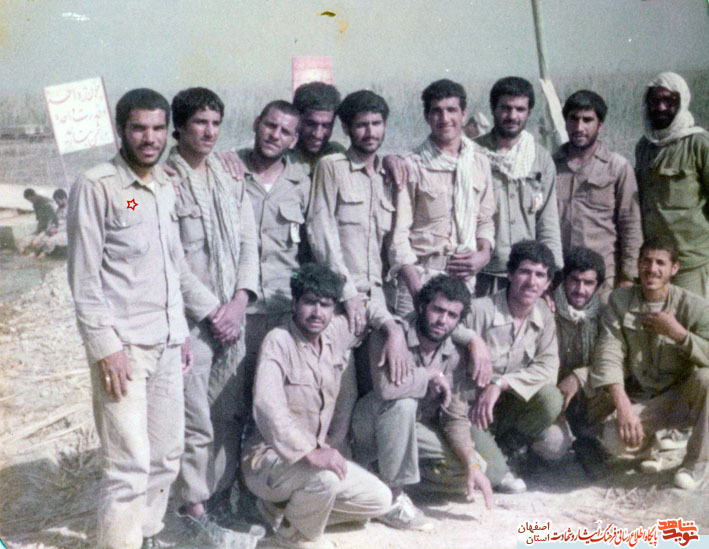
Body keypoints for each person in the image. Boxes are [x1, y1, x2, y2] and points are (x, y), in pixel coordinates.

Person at [67, 88, 221, 549]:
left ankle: (147, 535)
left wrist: (182, 331)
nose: (149, 138)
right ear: (121, 130)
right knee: (128, 464)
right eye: (138, 128)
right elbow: (84, 279)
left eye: (157, 128)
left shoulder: (154, 190)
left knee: (165, 456)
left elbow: (169, 263)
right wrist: (105, 348)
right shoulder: (97, 186)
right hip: (124, 350)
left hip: (167, 343)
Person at [241, 263, 407, 549]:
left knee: (379, 499)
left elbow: (367, 308)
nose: (317, 312)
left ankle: (285, 514)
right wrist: (309, 451)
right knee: (326, 480)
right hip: (269, 461)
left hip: (314, 463)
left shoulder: (334, 333)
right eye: (310, 302)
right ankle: (292, 539)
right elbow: (267, 407)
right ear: (294, 303)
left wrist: (394, 331)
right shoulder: (278, 341)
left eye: (326, 305)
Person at [166, 87, 259, 533]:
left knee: (226, 416)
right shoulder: (161, 178)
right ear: (179, 128)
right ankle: (192, 507)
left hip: (232, 319)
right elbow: (170, 257)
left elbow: (248, 244)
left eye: (215, 123)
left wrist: (239, 302)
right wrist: (212, 312)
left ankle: (218, 500)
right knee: (195, 421)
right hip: (191, 322)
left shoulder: (230, 176)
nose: (209, 132)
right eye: (199, 123)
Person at [351, 275, 493, 531]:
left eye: (452, 315)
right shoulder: (391, 335)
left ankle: (378, 480)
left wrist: (471, 464)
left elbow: (455, 417)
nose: (442, 320)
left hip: (411, 431)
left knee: (472, 467)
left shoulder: (455, 352)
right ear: (422, 306)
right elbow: (387, 390)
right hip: (369, 425)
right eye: (437, 309)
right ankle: (393, 499)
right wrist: (428, 374)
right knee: (403, 403)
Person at [307, 90, 397, 453]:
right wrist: (347, 293)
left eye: (376, 124)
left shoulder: (387, 175)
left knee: (380, 392)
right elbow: (321, 233)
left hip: (378, 301)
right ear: (345, 129)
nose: (370, 132)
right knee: (337, 402)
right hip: (341, 303)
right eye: (361, 125)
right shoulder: (332, 168)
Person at [590, 236, 709, 490]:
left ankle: (696, 464)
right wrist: (623, 406)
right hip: (645, 399)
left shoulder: (693, 306)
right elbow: (609, 352)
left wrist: (678, 334)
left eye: (660, 263)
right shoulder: (620, 301)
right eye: (646, 261)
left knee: (707, 379)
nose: (652, 269)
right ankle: (652, 446)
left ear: (674, 268)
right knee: (613, 440)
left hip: (683, 399)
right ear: (638, 264)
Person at [389, 79, 495, 317]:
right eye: (436, 111)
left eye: (451, 110)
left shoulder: (479, 161)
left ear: (463, 114)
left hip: (463, 278)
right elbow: (398, 236)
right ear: (427, 116)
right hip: (421, 275)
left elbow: (485, 219)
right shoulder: (412, 165)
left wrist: (483, 255)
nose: (445, 118)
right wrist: (417, 290)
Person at [465, 240, 562, 493]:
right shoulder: (480, 310)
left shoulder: (543, 313)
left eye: (540, 275)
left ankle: (508, 449)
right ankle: (498, 463)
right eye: (525, 272)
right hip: (474, 411)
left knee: (552, 400)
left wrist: (500, 383)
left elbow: (548, 368)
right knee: (499, 477)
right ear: (509, 274)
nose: (532, 282)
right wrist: (472, 338)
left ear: (548, 283)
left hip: (508, 406)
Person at [474, 76, 563, 296]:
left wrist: (549, 279)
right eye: (505, 108)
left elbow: (547, 222)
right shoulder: (472, 154)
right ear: (493, 109)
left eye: (520, 109)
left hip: (526, 276)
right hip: (482, 273)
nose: (513, 116)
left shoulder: (540, 159)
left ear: (529, 112)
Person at [554, 90, 642, 301]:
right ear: (565, 122)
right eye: (573, 119)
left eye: (587, 120)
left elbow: (630, 224)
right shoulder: (551, 165)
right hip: (561, 276)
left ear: (600, 125)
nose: (579, 127)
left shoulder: (617, 167)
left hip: (602, 278)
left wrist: (628, 277)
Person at [531, 247, 612, 473]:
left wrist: (578, 377)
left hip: (588, 395)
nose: (580, 289)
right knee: (553, 445)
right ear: (564, 279)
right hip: (548, 394)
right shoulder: (545, 308)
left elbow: (613, 361)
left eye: (588, 283)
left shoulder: (606, 313)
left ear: (598, 286)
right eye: (574, 280)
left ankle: (587, 439)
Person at [635, 72, 709, 299]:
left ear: (682, 102)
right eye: (655, 101)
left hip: (689, 261)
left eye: (669, 101)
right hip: (653, 262)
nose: (661, 107)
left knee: (691, 318)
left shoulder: (698, 143)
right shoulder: (644, 146)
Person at [290, 81, 347, 171]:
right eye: (310, 124)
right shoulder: (282, 158)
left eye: (326, 126)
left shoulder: (338, 155)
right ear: (297, 119)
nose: (317, 135)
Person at [19, 188, 68, 257]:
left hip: (63, 232)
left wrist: (55, 229)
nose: (57, 203)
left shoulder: (70, 209)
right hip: (51, 231)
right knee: (36, 242)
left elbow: (68, 225)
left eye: (58, 201)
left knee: (47, 242)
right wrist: (52, 228)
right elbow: (54, 221)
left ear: (64, 198)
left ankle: (41, 257)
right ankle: (32, 256)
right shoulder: (59, 209)